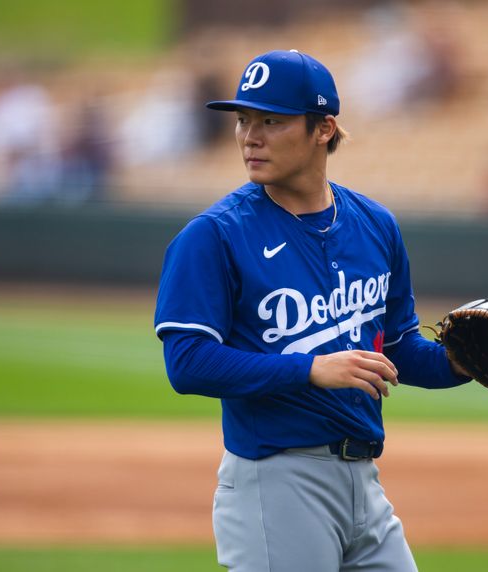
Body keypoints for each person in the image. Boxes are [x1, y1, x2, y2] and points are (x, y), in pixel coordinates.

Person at [153, 49, 471, 572]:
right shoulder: (213, 237)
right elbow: (187, 363)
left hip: (364, 483)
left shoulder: (376, 225)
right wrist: (311, 368)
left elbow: (396, 352)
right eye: (243, 120)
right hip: (275, 482)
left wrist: (463, 365)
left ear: (323, 129)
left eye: (271, 121)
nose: (249, 136)